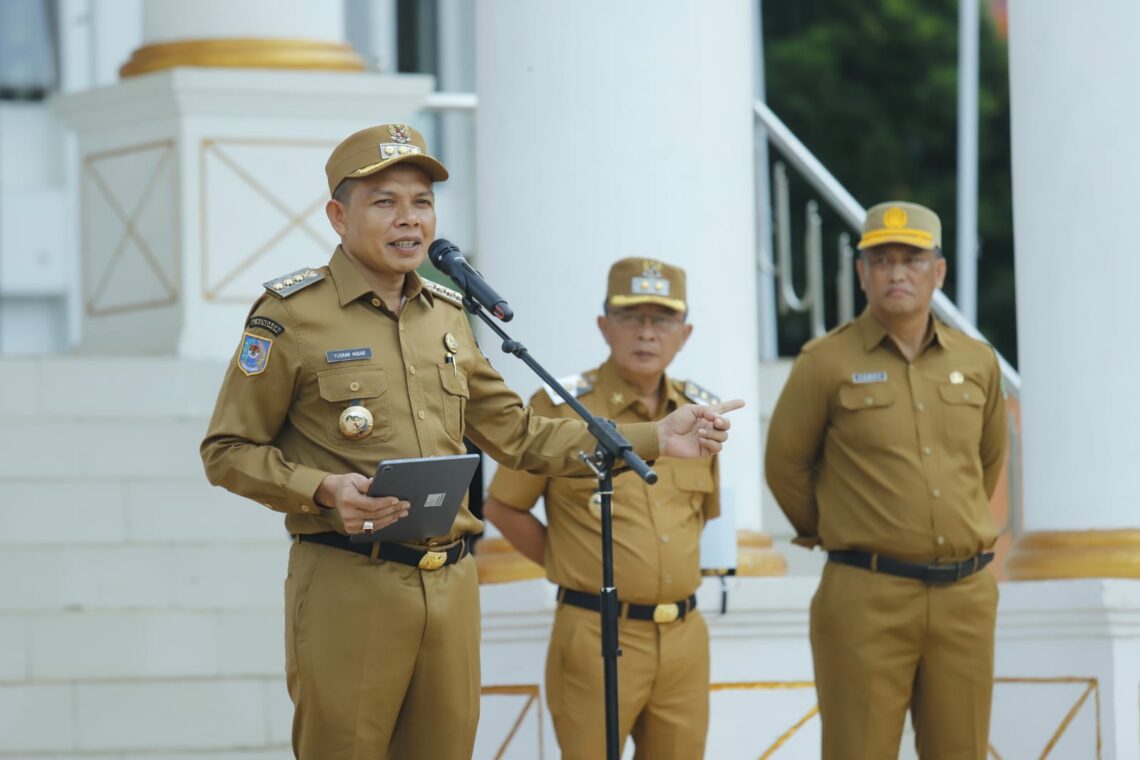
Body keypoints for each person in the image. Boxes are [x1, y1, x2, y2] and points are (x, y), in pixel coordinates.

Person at [199, 123, 742, 760]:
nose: (410, 220)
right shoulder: (290, 314)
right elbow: (227, 449)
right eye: (386, 202)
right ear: (338, 217)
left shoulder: (449, 313)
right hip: (351, 578)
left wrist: (654, 437)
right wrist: (320, 489)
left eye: (422, 202)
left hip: (452, 585)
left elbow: (520, 433)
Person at [765, 201, 1007, 759]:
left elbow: (986, 462)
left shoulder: (977, 361)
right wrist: (840, 528)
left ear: (938, 272)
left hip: (965, 598)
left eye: (912, 259)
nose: (897, 273)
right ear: (861, 272)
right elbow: (786, 467)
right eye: (882, 260)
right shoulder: (824, 361)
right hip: (865, 595)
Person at [483, 258, 719, 759]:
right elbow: (503, 509)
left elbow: (702, 518)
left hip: (684, 639)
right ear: (604, 325)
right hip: (596, 633)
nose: (647, 333)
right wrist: (570, 564)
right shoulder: (564, 407)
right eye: (632, 317)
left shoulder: (700, 415)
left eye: (663, 320)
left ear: (686, 332)